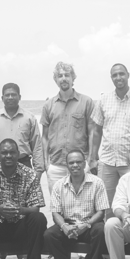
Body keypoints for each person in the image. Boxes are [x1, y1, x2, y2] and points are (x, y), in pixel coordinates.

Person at [0, 82, 44, 259]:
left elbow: (37, 145)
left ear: (19, 97)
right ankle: (0, 251)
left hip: (23, 162)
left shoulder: (29, 118)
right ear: (2, 98)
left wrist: (38, 171)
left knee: (23, 207)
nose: (10, 97)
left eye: (13, 94)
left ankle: (23, 250)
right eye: (7, 95)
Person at [92, 63, 130, 219]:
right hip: (107, 161)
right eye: (114, 75)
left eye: (121, 74)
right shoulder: (103, 100)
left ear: (128, 75)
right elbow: (96, 131)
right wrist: (92, 157)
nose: (118, 77)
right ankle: (111, 238)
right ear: (111, 78)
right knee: (107, 206)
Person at [44, 150, 109, 259]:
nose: (75, 165)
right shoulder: (59, 185)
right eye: (71, 162)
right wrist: (64, 226)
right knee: (49, 235)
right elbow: (55, 213)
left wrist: (86, 225)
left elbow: (101, 212)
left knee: (101, 230)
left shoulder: (97, 183)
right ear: (67, 165)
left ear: (84, 164)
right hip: (68, 225)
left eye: (78, 162)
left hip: (90, 224)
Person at [41, 61, 95, 194]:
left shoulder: (86, 102)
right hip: (55, 165)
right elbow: (45, 137)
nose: (63, 78)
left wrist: (90, 160)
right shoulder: (48, 105)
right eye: (60, 76)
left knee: (83, 206)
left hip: (80, 164)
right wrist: (46, 163)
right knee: (57, 207)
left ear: (73, 78)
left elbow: (92, 132)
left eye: (67, 75)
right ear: (56, 80)